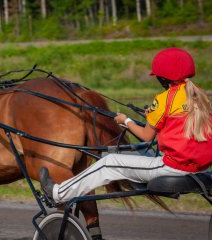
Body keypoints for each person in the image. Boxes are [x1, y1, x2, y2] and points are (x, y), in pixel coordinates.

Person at [40, 48, 212, 204]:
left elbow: (146, 136)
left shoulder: (165, 99)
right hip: (200, 166)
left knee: (108, 163)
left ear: (162, 77)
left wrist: (125, 121)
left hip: (173, 168)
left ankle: (58, 193)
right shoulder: (200, 94)